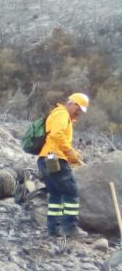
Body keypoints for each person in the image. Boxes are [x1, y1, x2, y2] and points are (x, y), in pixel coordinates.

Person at [37, 93, 89, 238]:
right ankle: (70, 228)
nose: (79, 113)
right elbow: (57, 134)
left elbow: (57, 138)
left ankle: (54, 229)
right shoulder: (61, 114)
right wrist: (69, 151)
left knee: (56, 194)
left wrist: (72, 155)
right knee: (71, 192)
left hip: (46, 158)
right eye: (78, 109)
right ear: (72, 103)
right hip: (55, 158)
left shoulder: (58, 114)